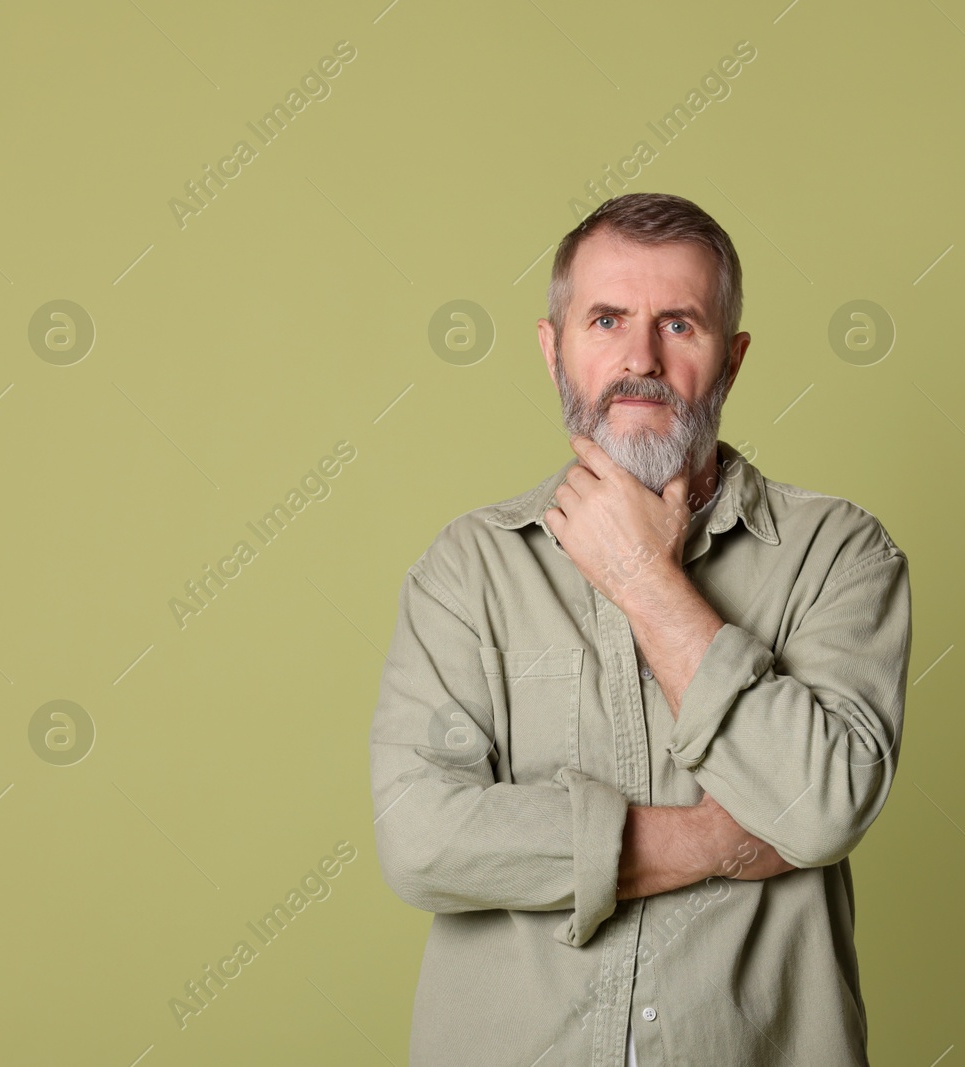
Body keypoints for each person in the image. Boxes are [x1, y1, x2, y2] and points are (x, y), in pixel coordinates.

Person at [369, 191, 912, 1066]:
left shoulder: (840, 555)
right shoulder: (468, 568)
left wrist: (640, 577)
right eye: (608, 319)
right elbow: (421, 836)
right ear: (554, 352)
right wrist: (713, 838)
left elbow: (821, 805)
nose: (640, 359)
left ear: (731, 361)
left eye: (680, 325)